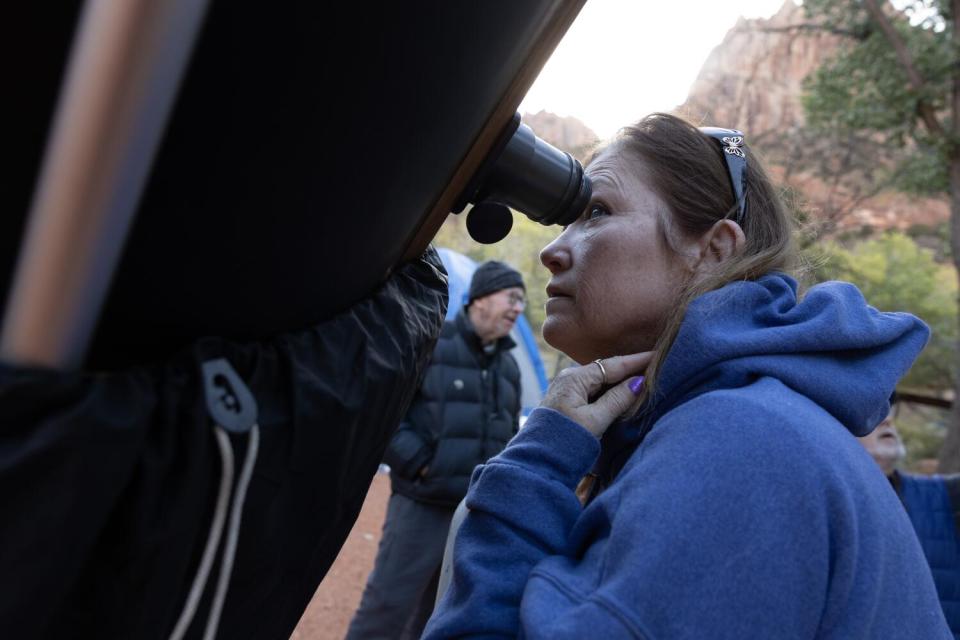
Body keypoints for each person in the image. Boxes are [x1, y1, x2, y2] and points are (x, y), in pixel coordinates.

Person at [424, 113, 950, 638]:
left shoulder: (737, 443)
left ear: (714, 250)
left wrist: (534, 465)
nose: (551, 251)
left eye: (597, 212)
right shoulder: (741, 416)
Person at [346, 260, 525, 640]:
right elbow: (387, 414)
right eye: (511, 297)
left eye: (521, 300)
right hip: (421, 505)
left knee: (435, 615)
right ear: (480, 298)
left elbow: (509, 433)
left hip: (470, 514)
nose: (518, 308)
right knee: (387, 606)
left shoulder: (508, 367)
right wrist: (420, 463)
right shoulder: (432, 342)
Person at [859, 393, 960, 638]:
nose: (887, 421)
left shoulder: (943, 495)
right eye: (872, 415)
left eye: (889, 412)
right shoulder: (828, 507)